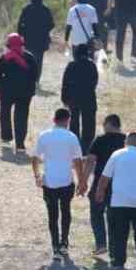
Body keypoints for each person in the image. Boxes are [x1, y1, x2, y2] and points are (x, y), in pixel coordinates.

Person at [95, 130, 136, 270]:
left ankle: (118, 264)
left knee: (119, 233)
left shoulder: (117, 155)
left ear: (126, 141)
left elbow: (105, 176)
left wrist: (99, 191)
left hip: (119, 201)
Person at [32, 107, 86, 260]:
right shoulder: (72, 137)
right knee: (66, 211)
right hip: (66, 180)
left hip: (49, 181)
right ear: (68, 120)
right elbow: (78, 161)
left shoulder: (44, 136)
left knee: (52, 214)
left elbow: (35, 158)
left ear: (54, 119)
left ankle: (55, 246)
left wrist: (37, 176)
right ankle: (64, 243)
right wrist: (82, 180)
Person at [82, 114, 126, 256]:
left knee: (96, 213)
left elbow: (90, 161)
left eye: (104, 124)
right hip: (120, 184)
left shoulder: (100, 139)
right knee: (115, 217)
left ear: (108, 123)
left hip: (100, 183)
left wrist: (83, 181)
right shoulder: (126, 141)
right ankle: (115, 249)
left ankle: (101, 244)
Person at [0, 33, 39, 152]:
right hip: (25, 92)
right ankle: (20, 144)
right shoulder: (30, 57)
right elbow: (35, 76)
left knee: (5, 114)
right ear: (22, 43)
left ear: (8, 44)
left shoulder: (4, 57)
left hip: (7, 91)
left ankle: (6, 139)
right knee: (22, 117)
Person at [60, 43, 99, 148]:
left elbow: (65, 83)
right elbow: (95, 81)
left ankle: (75, 141)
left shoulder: (72, 65)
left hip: (73, 97)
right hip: (89, 97)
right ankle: (87, 144)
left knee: (74, 121)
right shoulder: (91, 65)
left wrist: (64, 98)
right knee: (89, 122)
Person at [16, 0, 55, 77]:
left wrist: (21, 34)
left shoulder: (26, 8)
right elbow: (52, 24)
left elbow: (20, 24)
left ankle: (28, 77)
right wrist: (45, 30)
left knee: (28, 58)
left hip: (28, 39)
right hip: (41, 40)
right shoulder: (45, 9)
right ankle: (37, 79)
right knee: (39, 60)